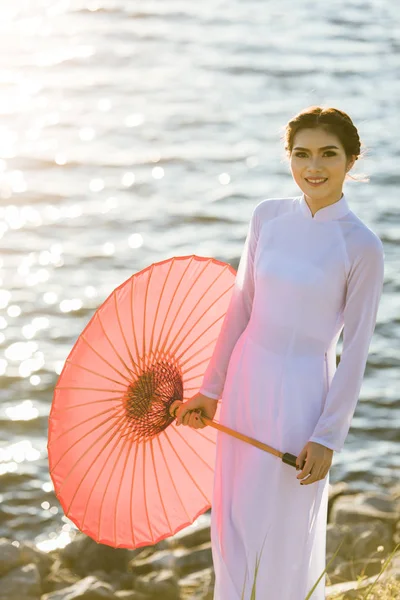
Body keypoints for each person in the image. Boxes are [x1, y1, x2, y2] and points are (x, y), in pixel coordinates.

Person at [174, 106, 385, 599]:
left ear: (351, 160)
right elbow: (241, 306)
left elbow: (354, 351)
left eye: (328, 154)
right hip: (247, 381)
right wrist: (210, 389)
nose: (314, 166)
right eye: (301, 154)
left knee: (284, 525)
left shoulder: (362, 246)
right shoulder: (267, 216)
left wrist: (328, 436)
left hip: (301, 395)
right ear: (288, 158)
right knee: (233, 516)